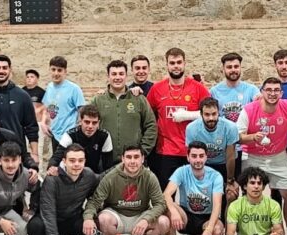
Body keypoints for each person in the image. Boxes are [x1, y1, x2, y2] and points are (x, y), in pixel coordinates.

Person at [82, 145, 169, 235]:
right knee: (103, 219)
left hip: (140, 216)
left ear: (142, 159)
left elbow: (160, 204)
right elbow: (94, 201)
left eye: (136, 157)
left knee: (164, 222)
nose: (132, 161)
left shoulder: (150, 177)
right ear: (123, 159)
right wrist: (88, 218)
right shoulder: (111, 177)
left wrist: (146, 219)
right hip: (117, 216)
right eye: (128, 157)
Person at [27, 144, 100, 235]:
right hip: (50, 218)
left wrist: (89, 217)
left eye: (80, 160)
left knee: (97, 222)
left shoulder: (89, 176)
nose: (76, 164)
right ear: (64, 161)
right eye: (72, 160)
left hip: (72, 218)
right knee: (34, 226)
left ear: (85, 161)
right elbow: (48, 215)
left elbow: (98, 193)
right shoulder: (52, 180)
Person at [147, 47, 211, 189]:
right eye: (172, 63)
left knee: (194, 194)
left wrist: (188, 115)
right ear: (167, 65)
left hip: (192, 150)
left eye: (179, 62)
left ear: (184, 63)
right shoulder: (156, 89)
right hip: (166, 151)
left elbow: (212, 113)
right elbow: (147, 115)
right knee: (167, 194)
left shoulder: (198, 88)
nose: (176, 66)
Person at [237, 77, 287, 228]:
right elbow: (238, 137)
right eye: (268, 90)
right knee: (249, 194)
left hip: (278, 155)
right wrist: (252, 137)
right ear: (261, 92)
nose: (272, 93)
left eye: (276, 90)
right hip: (253, 156)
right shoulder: (249, 109)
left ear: (281, 93)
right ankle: (247, 231)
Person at [162, 142, 225, 235]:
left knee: (217, 230)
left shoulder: (216, 176)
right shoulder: (181, 171)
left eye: (201, 156)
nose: (198, 160)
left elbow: (217, 206)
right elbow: (166, 194)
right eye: (194, 156)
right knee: (167, 206)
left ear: (206, 157)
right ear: (188, 157)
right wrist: (174, 213)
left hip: (207, 217)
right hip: (186, 216)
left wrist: (209, 230)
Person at [91, 59, 157, 166]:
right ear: (108, 76)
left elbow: (151, 126)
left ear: (126, 76)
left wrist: (142, 151)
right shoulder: (98, 100)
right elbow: (86, 125)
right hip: (104, 161)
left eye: (121, 74)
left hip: (133, 161)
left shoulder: (139, 99)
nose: (117, 77)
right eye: (114, 74)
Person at [210, 52, 261, 179]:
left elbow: (260, 105)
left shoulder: (251, 89)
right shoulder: (214, 91)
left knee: (247, 187)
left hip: (246, 147)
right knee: (227, 188)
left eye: (236, 66)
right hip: (225, 148)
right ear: (223, 69)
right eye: (229, 67)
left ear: (240, 68)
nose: (233, 70)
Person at [0, 55, 40, 163]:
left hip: (16, 155)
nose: (1, 71)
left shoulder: (22, 96)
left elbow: (31, 127)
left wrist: (35, 154)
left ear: (10, 70)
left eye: (4, 68)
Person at [185, 98, 239, 186]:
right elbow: (193, 156)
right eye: (207, 114)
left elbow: (230, 157)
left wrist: (230, 180)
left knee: (231, 194)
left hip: (224, 163)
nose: (211, 118)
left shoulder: (230, 127)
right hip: (204, 164)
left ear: (219, 113)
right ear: (201, 114)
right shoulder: (191, 128)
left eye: (214, 114)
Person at [47, 105, 114, 175]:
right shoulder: (70, 135)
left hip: (94, 176)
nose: (90, 126)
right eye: (87, 122)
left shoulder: (104, 136)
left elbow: (108, 165)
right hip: (72, 175)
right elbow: (56, 157)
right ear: (81, 121)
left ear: (98, 122)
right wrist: (52, 168)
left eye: (94, 123)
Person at [42, 56, 87, 151]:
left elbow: (82, 111)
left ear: (65, 71)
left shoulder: (74, 89)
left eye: (59, 70)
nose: (56, 73)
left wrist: (77, 131)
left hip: (70, 135)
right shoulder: (49, 87)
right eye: (53, 69)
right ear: (49, 70)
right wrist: (43, 123)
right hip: (54, 135)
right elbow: (46, 108)